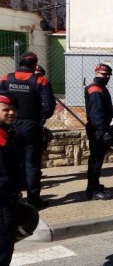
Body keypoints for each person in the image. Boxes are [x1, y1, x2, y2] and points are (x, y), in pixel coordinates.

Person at [0, 52, 55, 209]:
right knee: (32, 164)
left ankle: (14, 197)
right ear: (34, 64)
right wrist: (40, 118)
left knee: (11, 162)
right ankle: (33, 199)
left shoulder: (6, 78)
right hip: (31, 125)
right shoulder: (40, 80)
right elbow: (49, 107)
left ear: (20, 62)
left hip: (9, 125)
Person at [84, 63, 113, 201]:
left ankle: (94, 185)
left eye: (108, 75)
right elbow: (97, 113)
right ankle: (93, 190)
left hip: (97, 129)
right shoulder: (96, 89)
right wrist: (103, 132)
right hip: (97, 130)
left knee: (96, 160)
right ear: (96, 73)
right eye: (103, 74)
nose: (106, 77)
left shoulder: (97, 87)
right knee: (96, 161)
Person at [0, 92, 20, 265]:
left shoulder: (6, 133)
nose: (11, 112)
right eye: (6, 109)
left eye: (14, 109)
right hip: (2, 202)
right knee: (4, 245)